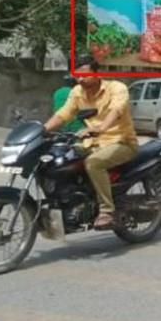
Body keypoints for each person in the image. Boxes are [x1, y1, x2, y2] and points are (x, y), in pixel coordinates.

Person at [43, 56, 138, 229]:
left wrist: (101, 127)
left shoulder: (117, 88)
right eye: (77, 76)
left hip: (121, 142)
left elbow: (116, 110)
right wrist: (42, 130)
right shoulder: (77, 92)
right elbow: (63, 114)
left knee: (94, 163)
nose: (80, 80)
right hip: (92, 143)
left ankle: (106, 210)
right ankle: (72, 201)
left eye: (85, 76)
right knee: (60, 159)